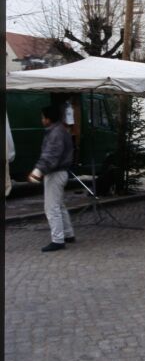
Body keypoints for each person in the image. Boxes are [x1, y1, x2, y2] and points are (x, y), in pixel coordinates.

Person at [28, 104, 76, 252]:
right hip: (61, 172)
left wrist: (38, 171)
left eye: (43, 117)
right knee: (59, 205)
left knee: (51, 207)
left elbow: (51, 155)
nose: (41, 120)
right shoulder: (60, 130)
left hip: (55, 173)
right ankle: (68, 234)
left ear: (48, 119)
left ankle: (58, 239)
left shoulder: (55, 133)